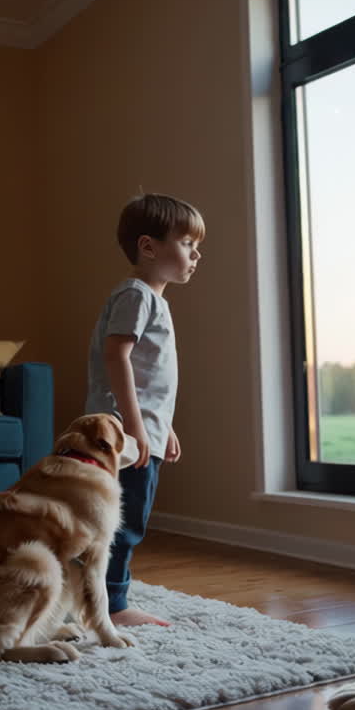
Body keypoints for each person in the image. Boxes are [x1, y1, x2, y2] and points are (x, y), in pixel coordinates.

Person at [86, 192, 205, 627]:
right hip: (125, 435)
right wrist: (136, 431)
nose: (196, 254)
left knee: (116, 517)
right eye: (187, 243)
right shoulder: (137, 295)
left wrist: (162, 426)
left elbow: (148, 376)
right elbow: (116, 356)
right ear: (149, 246)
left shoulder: (151, 299)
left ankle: (94, 596)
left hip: (139, 429)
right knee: (123, 520)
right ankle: (113, 605)